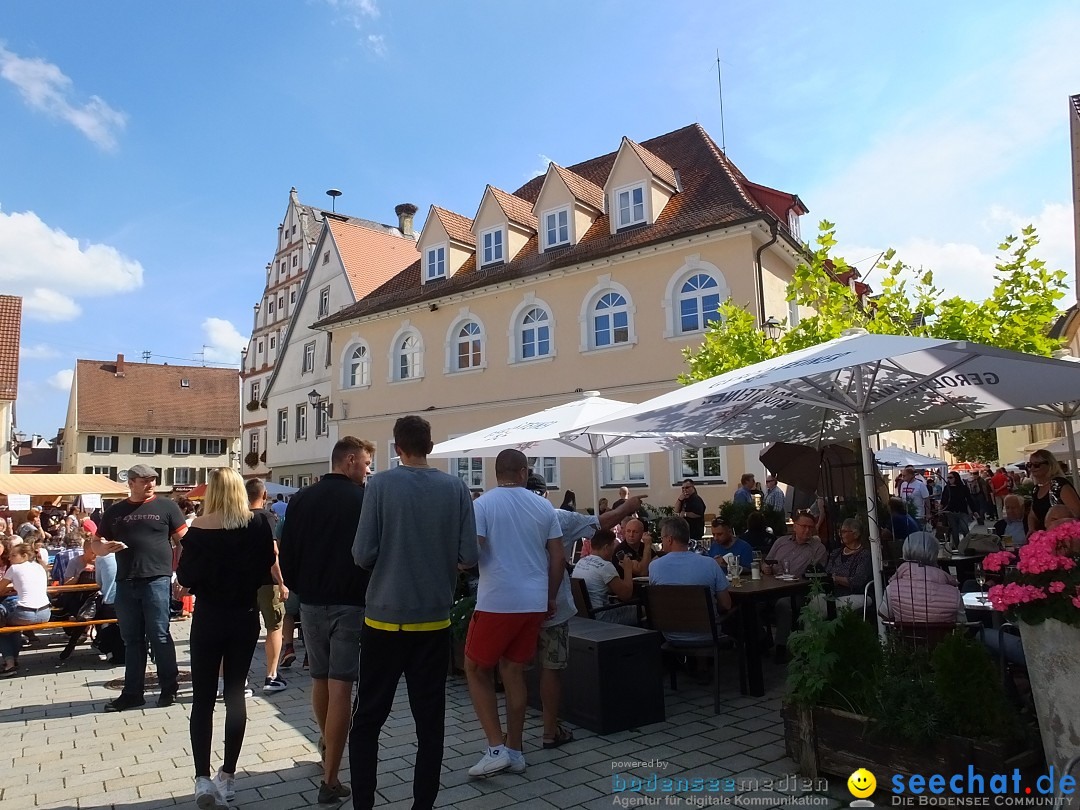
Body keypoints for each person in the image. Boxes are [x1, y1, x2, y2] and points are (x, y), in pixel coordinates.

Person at [350, 415, 478, 810]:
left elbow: (362, 553)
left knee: (368, 719)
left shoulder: (381, 484)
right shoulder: (455, 487)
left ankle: (364, 803)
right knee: (430, 722)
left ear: (397, 447)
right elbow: (469, 556)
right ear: (431, 446)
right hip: (433, 621)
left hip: (384, 619)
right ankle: (423, 804)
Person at [279, 437, 373, 804]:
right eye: (365, 463)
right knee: (342, 687)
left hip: (313, 603)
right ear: (349, 460)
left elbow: (288, 553)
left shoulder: (301, 499)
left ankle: (325, 745)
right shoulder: (363, 500)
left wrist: (302, 588)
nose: (367, 471)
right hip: (351, 602)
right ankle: (331, 778)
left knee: (320, 678)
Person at [176, 468, 275, 810]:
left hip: (209, 617)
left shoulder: (199, 529)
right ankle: (229, 776)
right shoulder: (259, 524)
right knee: (235, 695)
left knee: (202, 698)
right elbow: (265, 568)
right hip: (244, 617)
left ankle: (202, 776)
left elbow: (186, 576)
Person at [465, 449, 563, 779]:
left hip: (497, 600)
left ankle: (496, 749)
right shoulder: (544, 506)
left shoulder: (483, 505)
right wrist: (549, 598)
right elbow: (557, 559)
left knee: (475, 668)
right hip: (533, 600)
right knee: (514, 671)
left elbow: (471, 551)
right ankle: (516, 750)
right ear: (523, 472)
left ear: (496, 474)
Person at [524, 474, 642, 748]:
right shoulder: (556, 517)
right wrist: (628, 506)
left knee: (516, 668)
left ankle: (512, 740)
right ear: (545, 494)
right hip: (554, 604)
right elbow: (600, 523)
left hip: (519, 604)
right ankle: (549, 732)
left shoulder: (504, 517)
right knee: (552, 669)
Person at [91, 464, 188, 712]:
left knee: (159, 634)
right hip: (126, 581)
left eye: (153, 480)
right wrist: (104, 548)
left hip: (156, 579)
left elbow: (184, 541)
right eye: (145, 480)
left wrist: (184, 574)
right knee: (131, 639)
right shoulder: (116, 511)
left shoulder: (167, 507)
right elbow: (96, 542)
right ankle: (133, 693)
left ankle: (169, 688)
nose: (151, 484)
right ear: (131, 482)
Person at [648, 516, 732, 644]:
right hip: (708, 634)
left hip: (671, 635)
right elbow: (726, 604)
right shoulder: (710, 564)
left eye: (662, 538)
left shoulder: (655, 566)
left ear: (669, 539)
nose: (662, 542)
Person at [762, 512, 827, 660]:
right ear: (795, 526)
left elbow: (815, 575)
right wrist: (765, 567)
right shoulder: (781, 542)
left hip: (798, 591)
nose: (807, 530)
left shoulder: (817, 548)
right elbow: (767, 561)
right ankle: (759, 641)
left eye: (811, 527)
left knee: (783, 605)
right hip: (771, 587)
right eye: (804, 526)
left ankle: (780, 647)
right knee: (752, 605)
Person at [245, 478, 288, 693]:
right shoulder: (267, 517)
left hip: (244, 582)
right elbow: (273, 553)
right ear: (264, 496)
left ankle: (238, 677)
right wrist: (281, 582)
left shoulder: (238, 517)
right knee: (274, 627)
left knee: (244, 630)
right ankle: (271, 676)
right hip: (266, 581)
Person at [880, 531, 964, 624]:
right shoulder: (954, 594)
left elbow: (884, 615)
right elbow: (963, 626)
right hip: (944, 638)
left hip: (905, 638)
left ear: (905, 551)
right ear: (935, 554)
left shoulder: (892, 589)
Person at [0, 543, 50, 676]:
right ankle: (13, 659)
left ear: (24, 556)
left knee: (3, 627)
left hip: (26, 614)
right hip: (45, 613)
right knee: (13, 625)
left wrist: (7, 589)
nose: (9, 558)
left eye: (13, 555)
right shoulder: (39, 567)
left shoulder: (15, 568)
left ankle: (10, 663)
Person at [570, 529, 638, 625]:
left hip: (584, 615)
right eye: (612, 546)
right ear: (606, 548)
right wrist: (628, 569)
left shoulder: (581, 562)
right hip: (602, 616)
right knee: (642, 609)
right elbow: (626, 595)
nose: (613, 550)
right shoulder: (605, 566)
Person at [819, 519, 873, 613]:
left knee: (831, 608)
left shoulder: (864, 555)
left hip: (856, 594)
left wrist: (835, 579)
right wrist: (833, 579)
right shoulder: (835, 553)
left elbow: (857, 581)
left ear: (856, 534)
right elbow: (827, 573)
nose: (840, 534)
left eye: (844, 531)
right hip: (833, 593)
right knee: (814, 602)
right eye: (840, 531)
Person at [1027, 449, 1080, 532]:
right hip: (1044, 538)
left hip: (1062, 536)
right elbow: (1032, 515)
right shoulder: (1036, 489)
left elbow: (1077, 513)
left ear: (1049, 465)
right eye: (1029, 465)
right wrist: (1031, 529)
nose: (1032, 468)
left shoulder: (1059, 484)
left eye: (1036, 465)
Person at [940, 471, 976, 545]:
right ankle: (957, 546)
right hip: (950, 512)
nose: (949, 479)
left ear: (956, 478)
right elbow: (943, 500)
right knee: (954, 530)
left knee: (964, 528)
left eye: (951, 477)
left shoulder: (963, 487)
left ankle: (968, 544)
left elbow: (969, 499)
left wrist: (974, 511)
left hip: (962, 511)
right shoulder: (947, 488)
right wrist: (940, 510)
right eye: (948, 478)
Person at [675, 479, 707, 544]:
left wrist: (685, 514)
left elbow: (698, 514)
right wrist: (679, 500)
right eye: (683, 488)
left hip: (695, 531)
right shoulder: (684, 499)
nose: (684, 490)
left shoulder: (696, 499)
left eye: (687, 487)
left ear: (692, 488)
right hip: (685, 532)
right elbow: (676, 510)